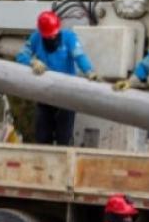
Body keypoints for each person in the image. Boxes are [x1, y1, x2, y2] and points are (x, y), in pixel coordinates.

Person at [15, 10, 99, 145]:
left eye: (54, 34)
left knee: (64, 137)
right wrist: (32, 62)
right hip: (45, 94)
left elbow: (79, 56)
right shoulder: (36, 38)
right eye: (49, 36)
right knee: (42, 137)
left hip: (67, 95)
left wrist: (89, 71)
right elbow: (21, 56)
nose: (52, 37)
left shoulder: (69, 38)